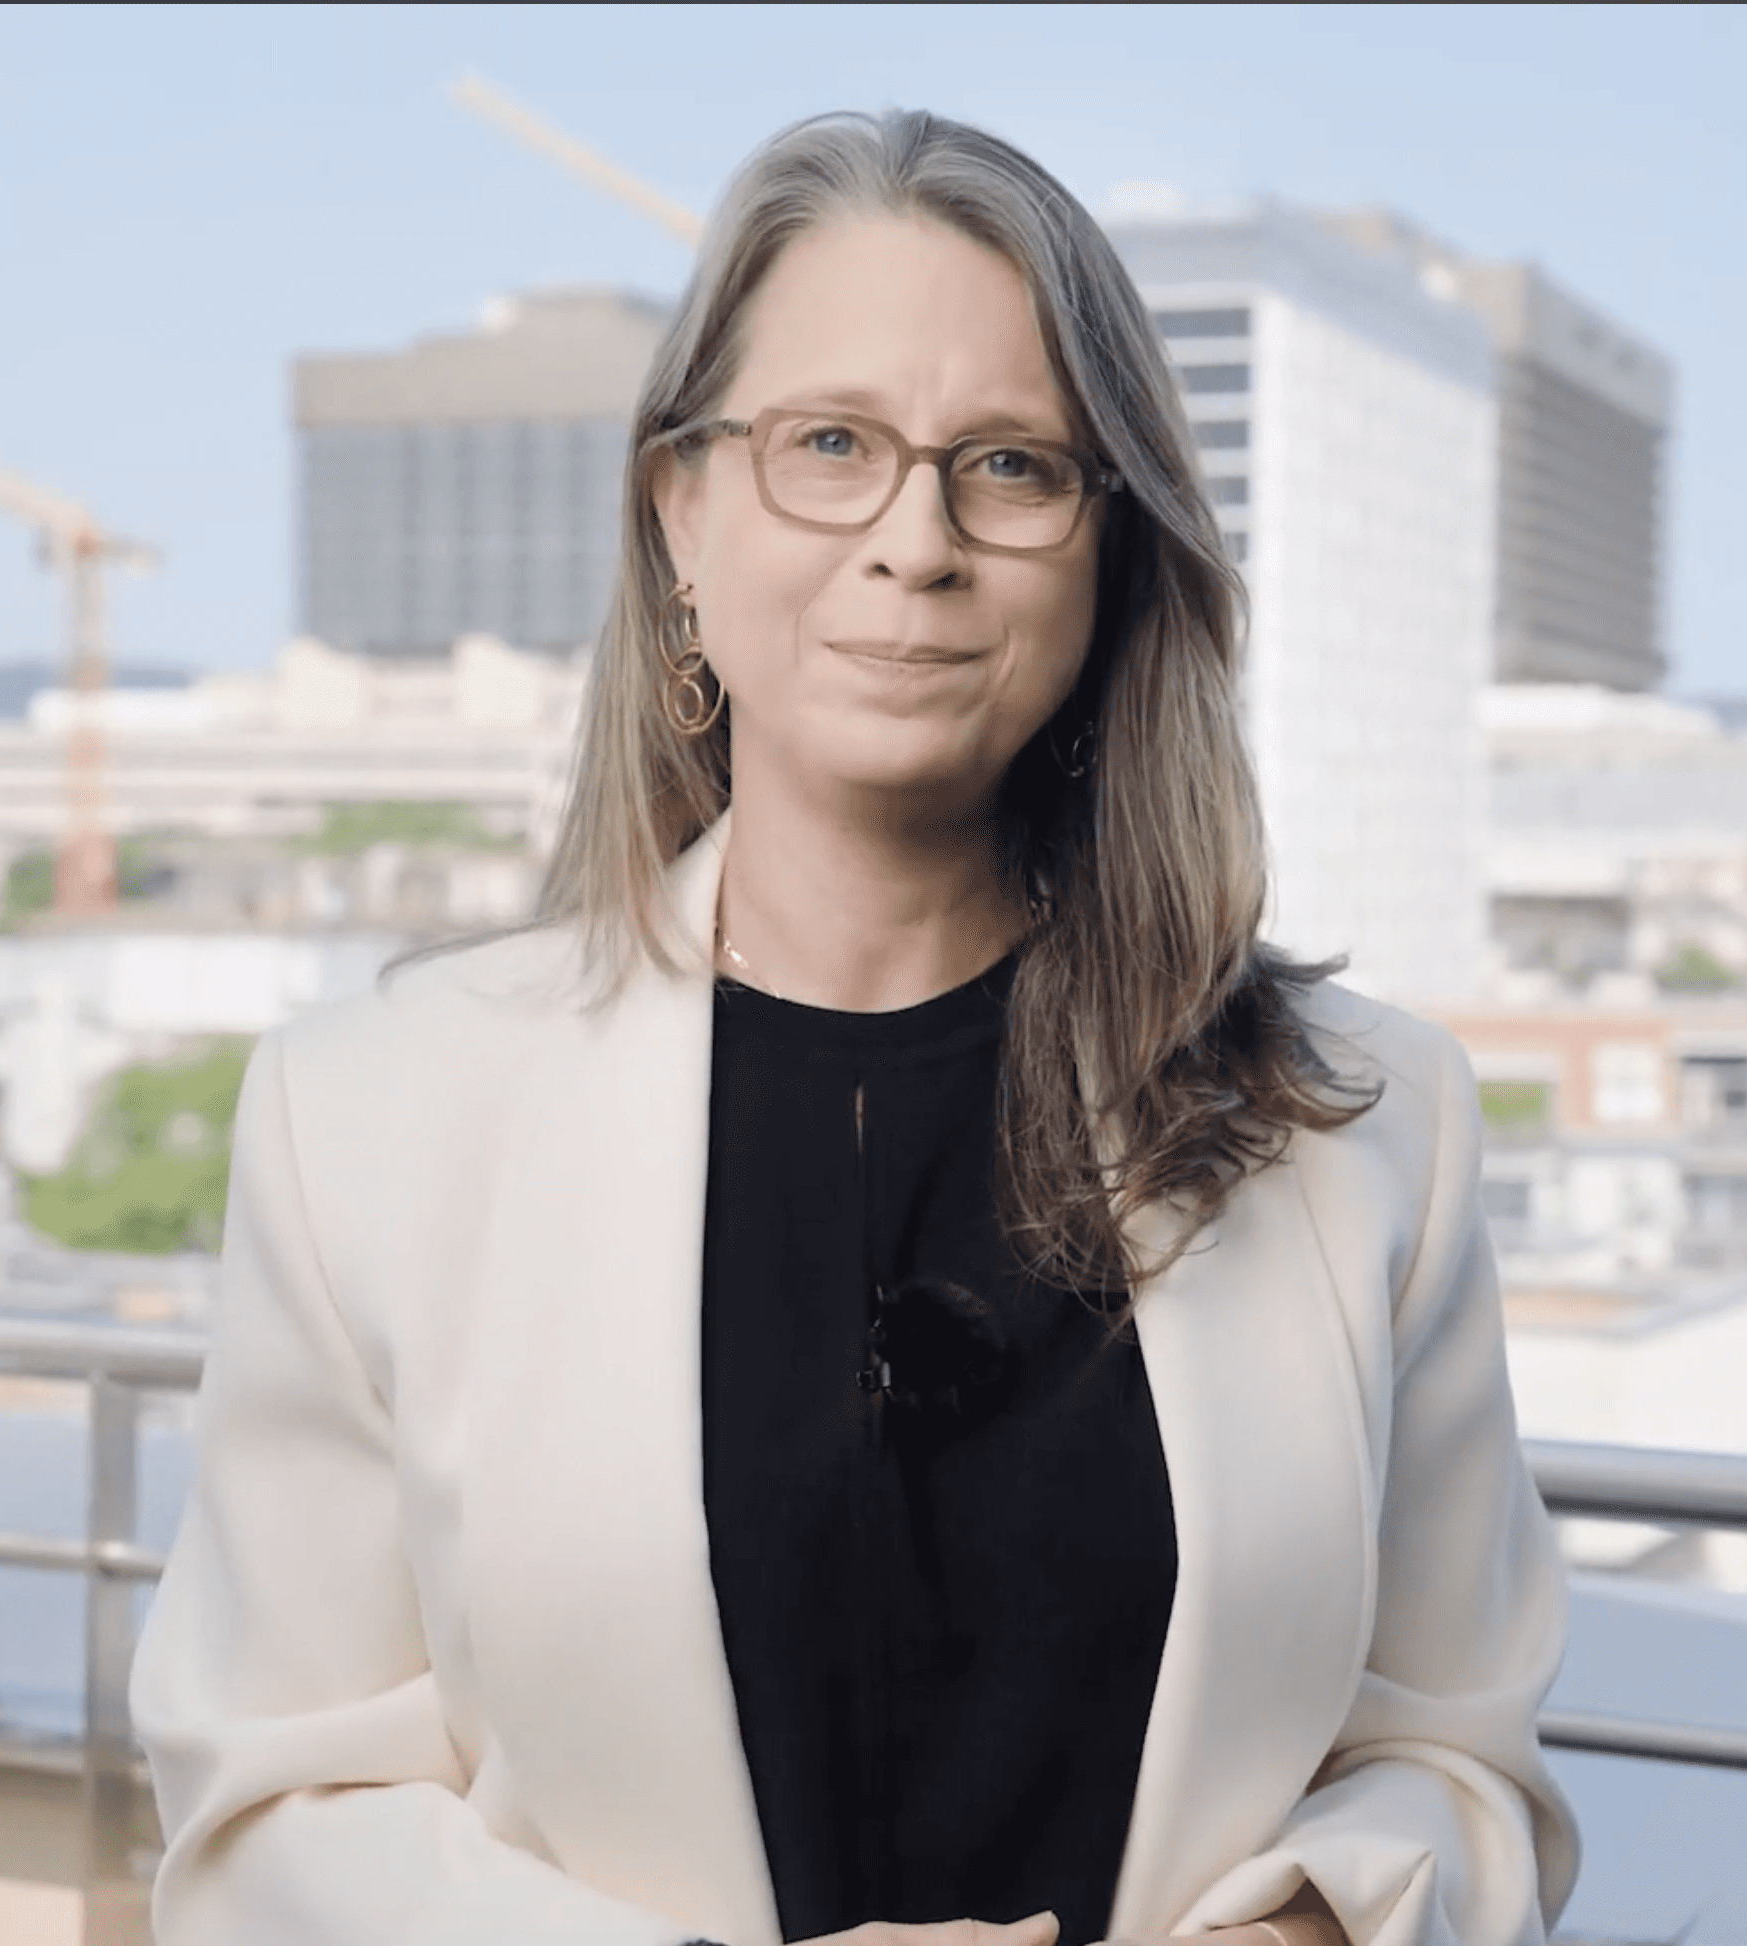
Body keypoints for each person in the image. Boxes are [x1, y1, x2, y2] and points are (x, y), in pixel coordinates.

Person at [130, 107, 1580, 1946]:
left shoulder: (1371, 1127)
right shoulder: (369, 1120)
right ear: (683, 512)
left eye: (1012, 466)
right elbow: (267, 1828)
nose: (918, 541)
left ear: (1112, 548)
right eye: (831, 445)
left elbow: (1466, 1770)